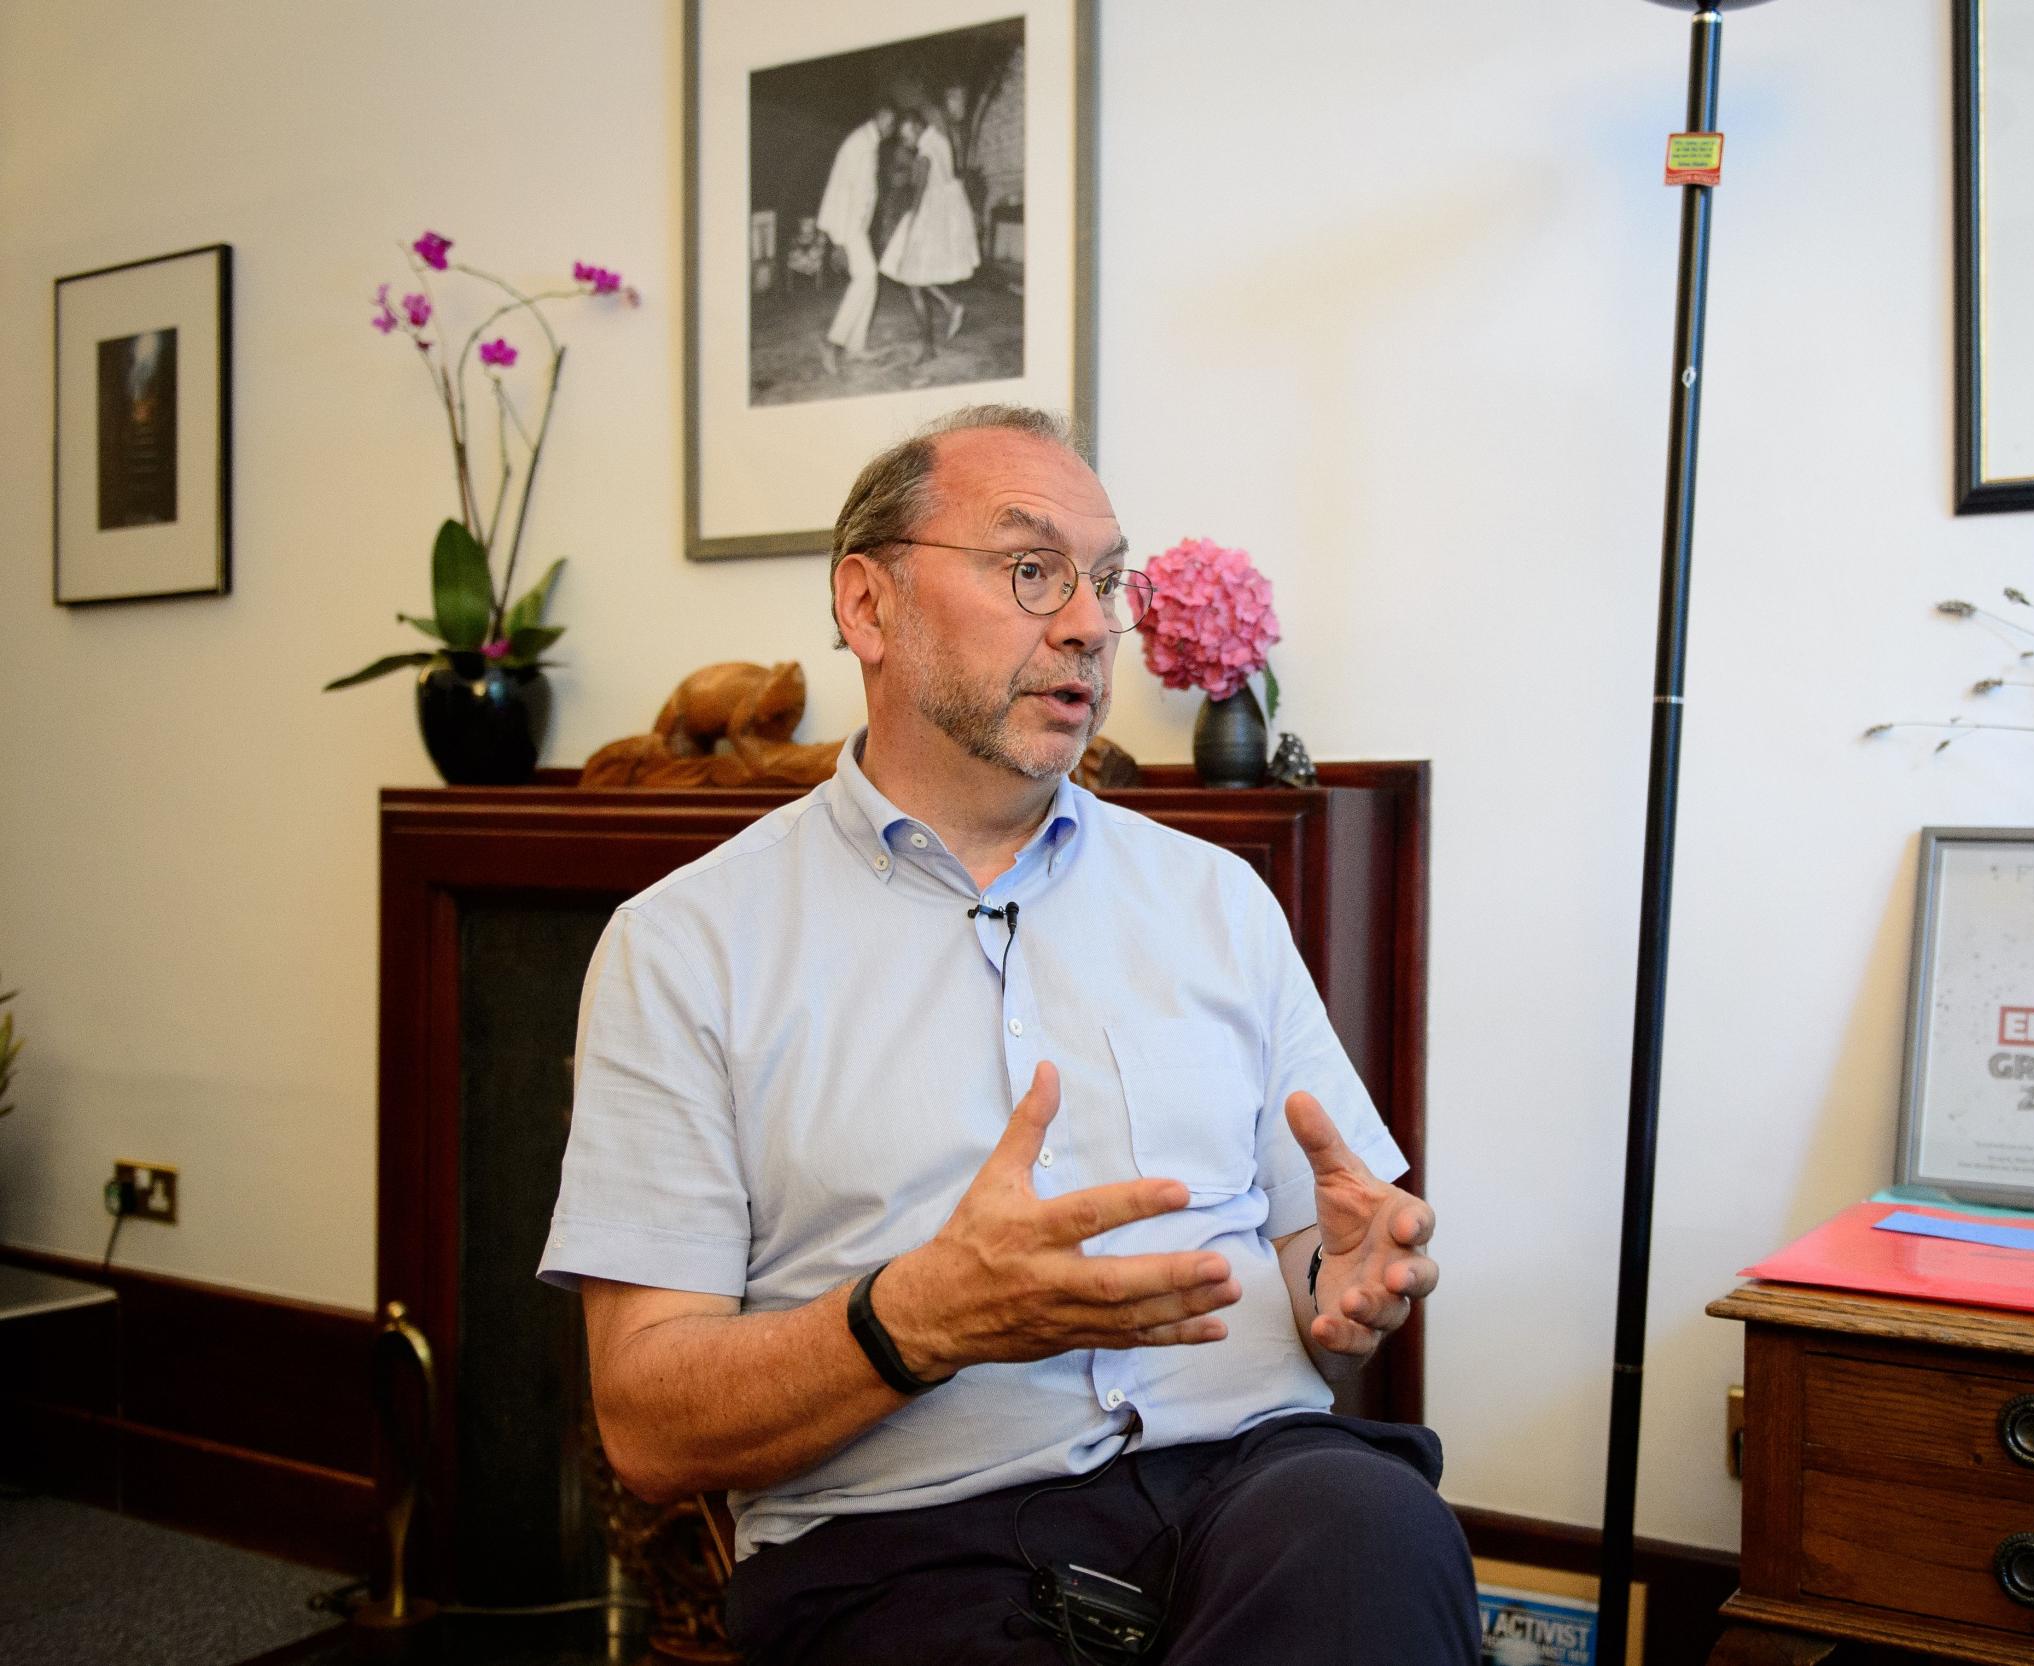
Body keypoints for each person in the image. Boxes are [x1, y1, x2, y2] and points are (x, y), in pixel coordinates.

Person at [538, 405, 1476, 1665]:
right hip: (908, 1538)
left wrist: (1340, 1282)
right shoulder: (682, 948)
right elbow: (646, 1425)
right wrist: (915, 1318)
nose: (1089, 621)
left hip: (1260, 1482)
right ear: (868, 607)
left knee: (1378, 1530)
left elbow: (1321, 1239)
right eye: (1031, 568)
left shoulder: (1215, 897)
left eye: (1104, 580)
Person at [878, 106, 981, 362]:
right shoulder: (940, 140)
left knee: (911, 280)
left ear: (915, 127)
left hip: (929, 219)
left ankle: (928, 348)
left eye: (906, 135)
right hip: (945, 216)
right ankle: (950, 306)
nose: (905, 141)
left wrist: (910, 225)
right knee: (915, 276)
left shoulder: (924, 154)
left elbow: (920, 193)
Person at [816, 104, 896, 379]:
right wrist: (838, 239)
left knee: (869, 280)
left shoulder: (868, 142)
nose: (892, 129)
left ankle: (855, 346)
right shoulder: (859, 143)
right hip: (847, 225)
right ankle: (832, 342)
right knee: (866, 277)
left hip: (855, 226)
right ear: (883, 117)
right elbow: (841, 191)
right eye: (892, 123)